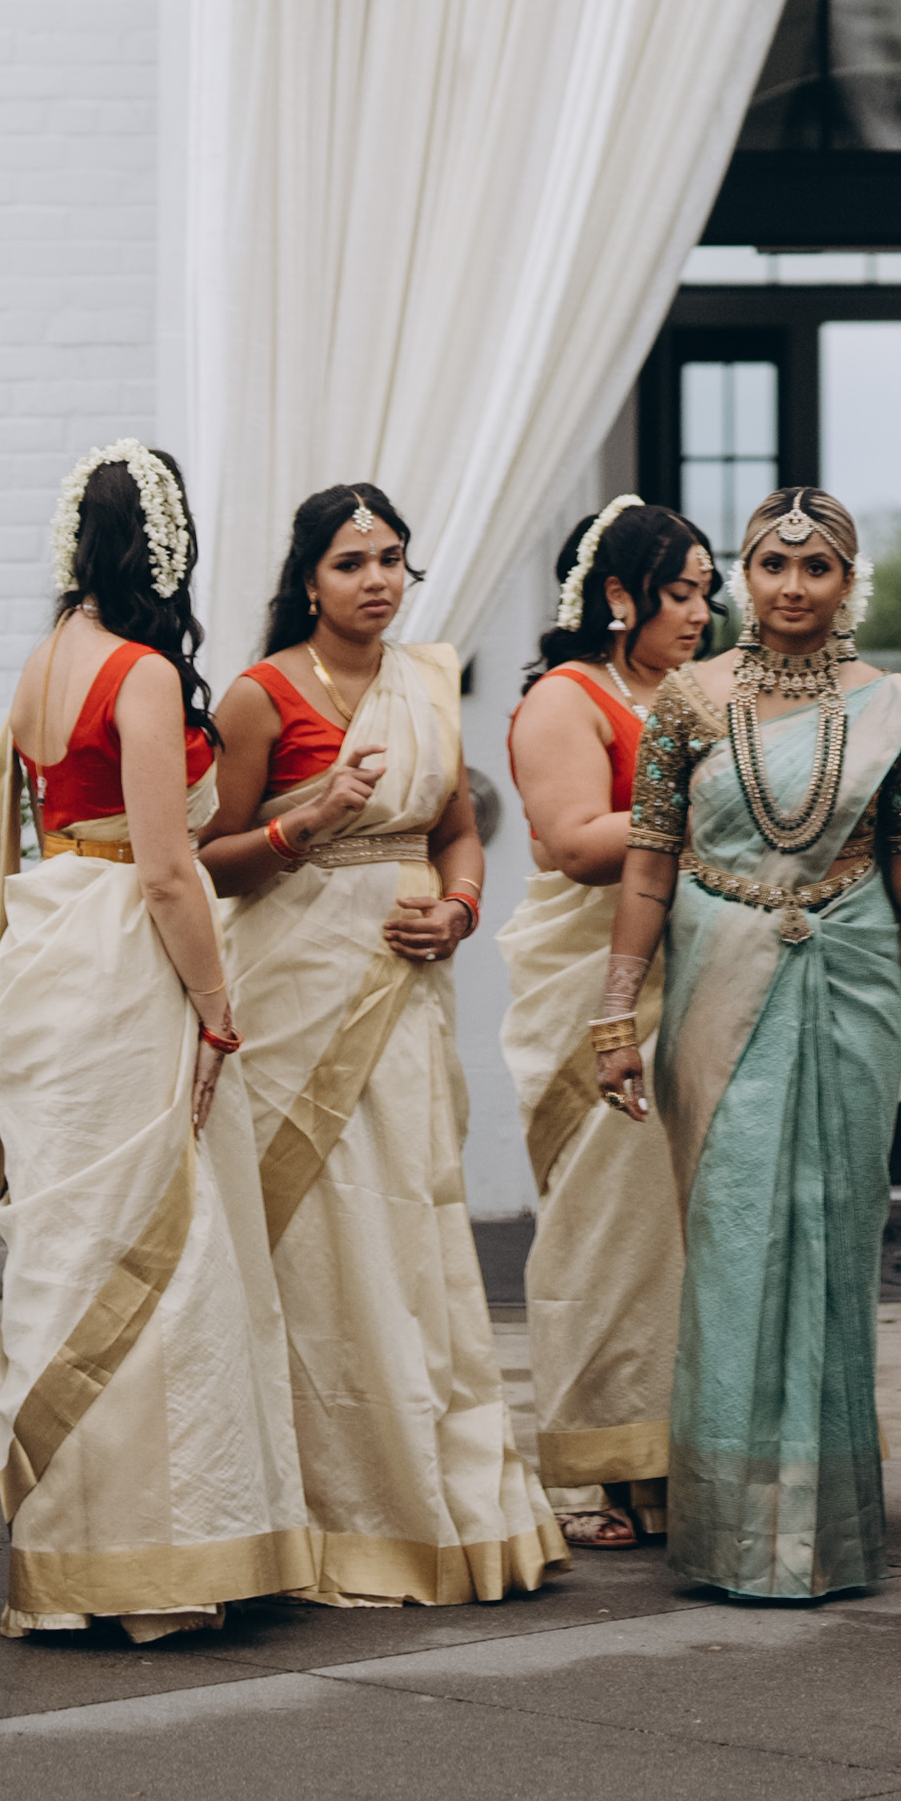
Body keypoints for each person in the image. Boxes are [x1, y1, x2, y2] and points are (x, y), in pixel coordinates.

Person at [0, 439, 319, 1640]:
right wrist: (214, 1003)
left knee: (75, 1240)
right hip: (122, 959)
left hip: (50, 948)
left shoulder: (43, 661)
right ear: (166, 546)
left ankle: (70, 1552)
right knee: (163, 1239)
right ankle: (155, 1562)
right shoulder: (141, 673)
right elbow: (164, 870)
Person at [596, 483, 901, 1604]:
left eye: (816, 567)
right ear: (745, 578)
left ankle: (825, 1529)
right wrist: (615, 1014)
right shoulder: (686, 702)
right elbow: (648, 867)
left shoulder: (895, 709)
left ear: (849, 582)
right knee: (734, 1230)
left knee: (835, 1231)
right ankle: (728, 1531)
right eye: (771, 565)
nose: (792, 588)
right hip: (720, 982)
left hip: (849, 980)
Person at [203, 477, 562, 1610]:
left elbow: (457, 833)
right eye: (352, 562)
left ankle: (429, 1501)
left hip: (404, 995)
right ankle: (314, 1512)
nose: (377, 581)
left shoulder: (425, 683)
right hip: (292, 999)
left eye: (392, 559)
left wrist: (458, 911)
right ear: (308, 580)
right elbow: (210, 859)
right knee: (318, 1243)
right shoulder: (259, 696)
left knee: (410, 1225)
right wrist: (307, 822)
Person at [501, 493, 716, 1550]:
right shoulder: (566, 698)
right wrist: (723, 809)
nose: (701, 613)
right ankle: (588, 1470)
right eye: (681, 592)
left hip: (698, 973)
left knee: (677, 1234)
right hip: (595, 976)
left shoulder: (697, 695)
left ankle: (662, 1461)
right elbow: (579, 842)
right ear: (620, 595)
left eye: (708, 593)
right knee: (602, 1227)